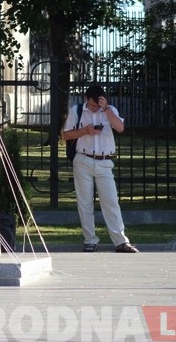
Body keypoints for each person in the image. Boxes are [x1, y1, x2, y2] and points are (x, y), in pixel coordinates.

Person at [62, 85, 139, 253]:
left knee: (111, 202)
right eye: (92, 105)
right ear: (86, 99)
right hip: (83, 159)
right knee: (85, 203)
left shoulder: (110, 110)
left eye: (98, 105)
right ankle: (90, 240)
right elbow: (66, 135)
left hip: (104, 162)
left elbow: (120, 128)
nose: (95, 108)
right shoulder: (78, 110)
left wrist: (106, 110)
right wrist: (85, 131)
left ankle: (120, 241)